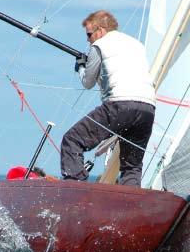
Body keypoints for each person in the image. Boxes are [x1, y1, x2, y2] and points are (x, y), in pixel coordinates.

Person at [60, 10, 156, 187]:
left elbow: (88, 82)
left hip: (120, 106)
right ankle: (131, 204)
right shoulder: (137, 45)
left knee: (72, 140)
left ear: (101, 30)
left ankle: (73, 189)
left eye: (89, 34)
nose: (88, 40)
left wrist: (81, 66)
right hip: (148, 109)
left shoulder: (100, 45)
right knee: (132, 166)